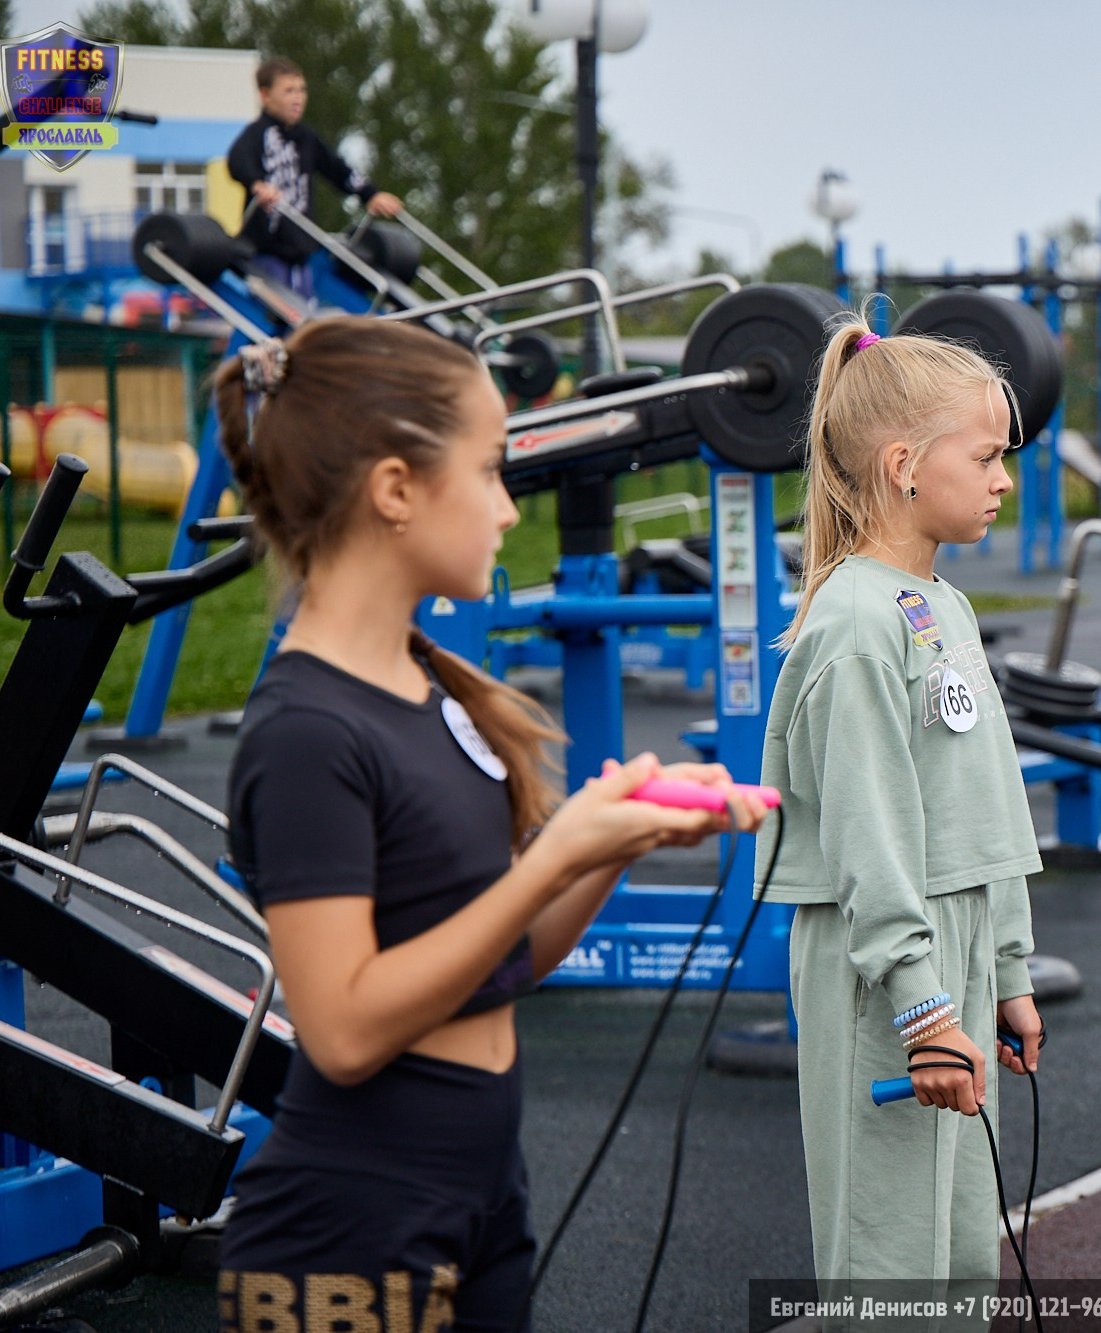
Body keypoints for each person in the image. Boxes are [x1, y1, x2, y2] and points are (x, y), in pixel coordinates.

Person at [211, 316, 760, 1333]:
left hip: (480, 1193)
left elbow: (505, 963)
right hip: (355, 1223)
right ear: (394, 490)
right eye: (490, 471)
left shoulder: (428, 689)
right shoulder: (306, 734)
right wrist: (549, 857)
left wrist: (612, 844)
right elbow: (341, 1031)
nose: (510, 510)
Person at [756, 318, 1045, 1317]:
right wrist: (924, 1010)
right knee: (885, 1254)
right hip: (884, 957)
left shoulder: (942, 605)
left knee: (961, 1240)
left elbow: (982, 805)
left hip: (952, 942)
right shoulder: (852, 621)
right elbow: (869, 837)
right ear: (902, 465)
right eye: (986, 455)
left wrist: (1005, 970)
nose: (1003, 476)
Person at [226, 57, 402, 303]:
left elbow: (338, 170)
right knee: (275, 315)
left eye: (301, 90)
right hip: (266, 250)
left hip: (301, 253)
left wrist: (371, 194)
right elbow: (237, 161)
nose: (298, 98)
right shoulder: (257, 134)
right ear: (265, 96)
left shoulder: (306, 138)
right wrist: (257, 184)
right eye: (288, 91)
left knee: (304, 317)